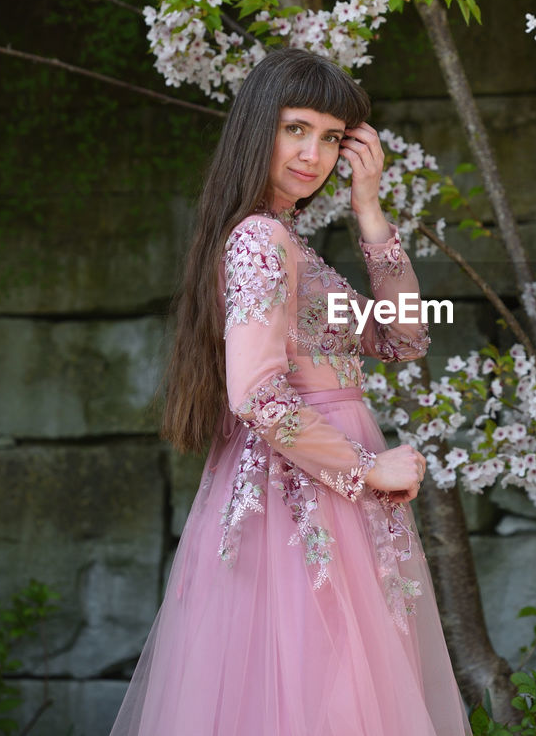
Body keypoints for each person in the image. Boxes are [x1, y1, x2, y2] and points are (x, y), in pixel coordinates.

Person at [108, 48, 471, 735]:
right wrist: (368, 468)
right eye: (295, 128)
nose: (314, 153)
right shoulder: (260, 242)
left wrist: (369, 210)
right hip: (304, 501)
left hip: (323, 491)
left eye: (331, 137)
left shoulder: (286, 244)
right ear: (258, 129)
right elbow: (258, 396)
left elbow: (403, 337)